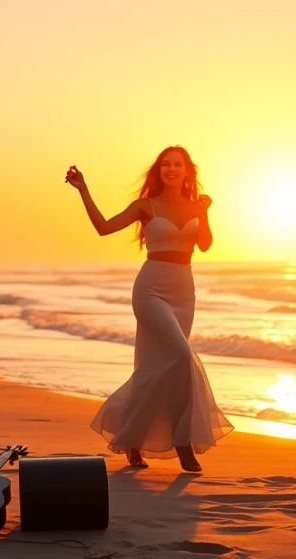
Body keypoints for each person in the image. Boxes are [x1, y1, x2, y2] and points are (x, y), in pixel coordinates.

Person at [65, 146, 233, 472]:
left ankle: (134, 438)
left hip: (184, 293)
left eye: (178, 165)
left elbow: (205, 244)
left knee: (161, 369)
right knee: (182, 357)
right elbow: (103, 227)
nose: (171, 169)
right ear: (159, 170)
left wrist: (204, 211)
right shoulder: (145, 205)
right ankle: (183, 443)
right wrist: (83, 189)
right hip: (150, 290)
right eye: (166, 164)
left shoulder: (196, 206)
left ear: (187, 171)